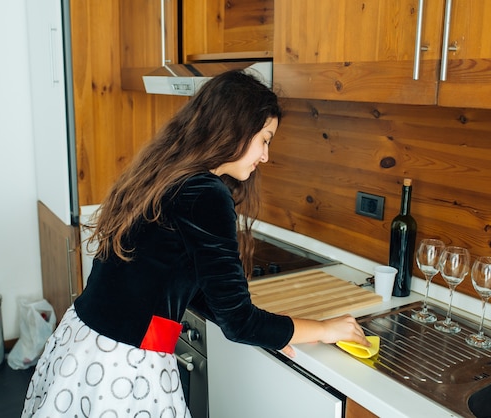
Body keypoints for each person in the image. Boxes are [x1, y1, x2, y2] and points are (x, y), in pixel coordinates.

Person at [21, 69, 369, 418]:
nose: (265, 156)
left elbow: (193, 285)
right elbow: (239, 322)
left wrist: (278, 331)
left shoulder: (167, 171)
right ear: (235, 129)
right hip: (122, 365)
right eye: (265, 139)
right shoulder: (205, 194)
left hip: (82, 343)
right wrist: (324, 329)